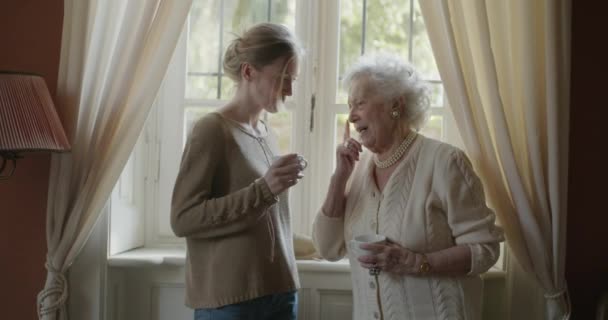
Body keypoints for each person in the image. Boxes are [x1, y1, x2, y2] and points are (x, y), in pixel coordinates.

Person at [312, 53, 505, 320]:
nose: (352, 117)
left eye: (360, 104)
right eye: (349, 106)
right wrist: (339, 178)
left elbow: (485, 249)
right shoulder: (358, 170)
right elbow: (327, 249)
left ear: (396, 105)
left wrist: (416, 263)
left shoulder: (445, 161)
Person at [171, 22, 305, 320]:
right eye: (283, 77)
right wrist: (263, 190)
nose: (290, 90)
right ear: (248, 72)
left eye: (293, 79)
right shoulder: (211, 130)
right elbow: (183, 219)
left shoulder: (266, 133)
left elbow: (266, 221)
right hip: (231, 304)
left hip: (282, 293)